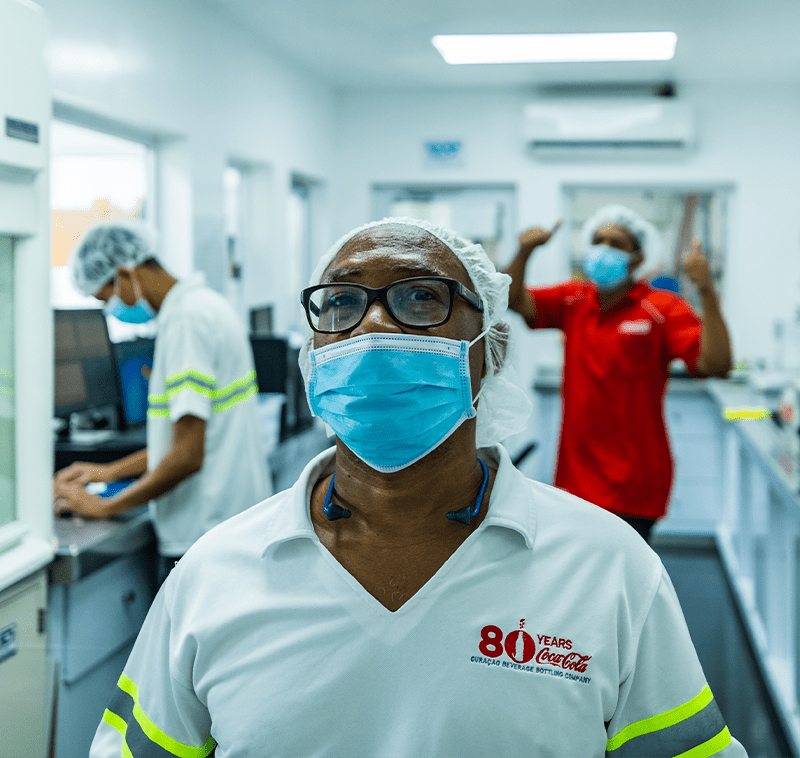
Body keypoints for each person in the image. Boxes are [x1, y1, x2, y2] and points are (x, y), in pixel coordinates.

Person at [89, 217, 745, 758]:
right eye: (342, 302)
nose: (372, 326)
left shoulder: (607, 568)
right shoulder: (215, 574)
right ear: (313, 353)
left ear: (490, 349)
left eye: (420, 297)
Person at [53, 221, 271, 582]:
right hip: (229, 527)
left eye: (105, 298)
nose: (111, 310)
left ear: (124, 273)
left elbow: (187, 455)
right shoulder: (205, 304)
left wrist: (106, 506)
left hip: (203, 537)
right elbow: (185, 439)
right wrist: (108, 471)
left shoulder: (186, 322)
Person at [505, 205, 733, 543]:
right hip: (576, 477)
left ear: (637, 258)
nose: (604, 249)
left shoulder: (661, 307)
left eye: (617, 243)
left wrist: (706, 291)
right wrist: (524, 251)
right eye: (598, 240)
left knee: (625, 580)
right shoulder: (574, 299)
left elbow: (715, 365)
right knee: (579, 575)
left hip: (635, 479)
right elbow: (513, 300)